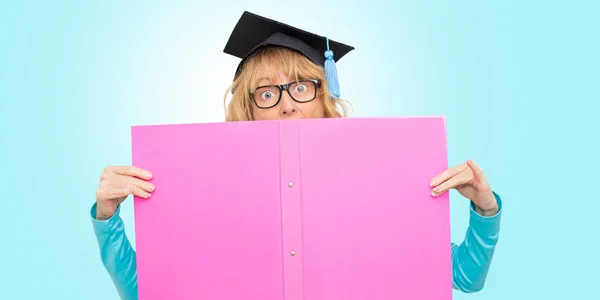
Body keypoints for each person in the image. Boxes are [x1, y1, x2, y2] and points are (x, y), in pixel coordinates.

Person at [91, 11, 502, 300]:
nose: (287, 104)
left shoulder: (379, 178)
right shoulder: (207, 191)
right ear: (248, 109)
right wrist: (108, 218)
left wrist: (484, 209)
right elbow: (146, 291)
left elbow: (464, 278)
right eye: (267, 93)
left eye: (301, 87)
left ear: (324, 96)